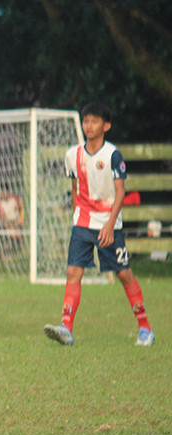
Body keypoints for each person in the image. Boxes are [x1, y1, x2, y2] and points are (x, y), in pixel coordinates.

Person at [45, 102, 154, 346]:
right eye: (86, 121)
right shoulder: (72, 155)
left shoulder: (112, 155)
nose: (89, 126)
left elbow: (120, 191)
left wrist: (109, 224)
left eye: (94, 122)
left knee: (124, 274)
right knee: (73, 272)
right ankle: (66, 328)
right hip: (83, 223)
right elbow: (74, 188)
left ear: (106, 125)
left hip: (109, 224)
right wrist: (77, 217)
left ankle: (145, 328)